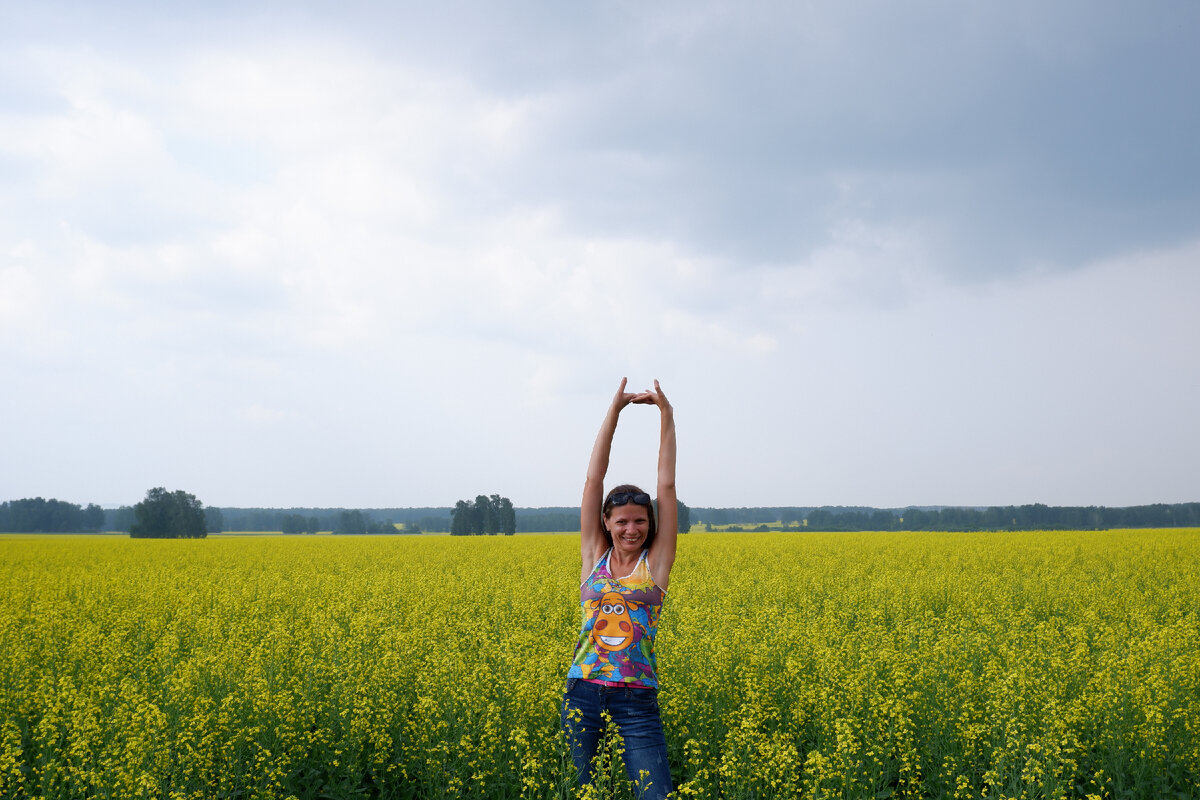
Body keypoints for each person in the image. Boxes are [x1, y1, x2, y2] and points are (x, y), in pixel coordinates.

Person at [562, 378, 677, 799]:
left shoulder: (656, 565)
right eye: (622, 521)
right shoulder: (594, 556)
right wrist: (614, 412)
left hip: (637, 703)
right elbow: (595, 478)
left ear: (651, 525)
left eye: (640, 521)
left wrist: (666, 415)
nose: (632, 529)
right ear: (606, 523)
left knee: (656, 795)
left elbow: (665, 487)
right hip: (583, 694)